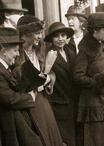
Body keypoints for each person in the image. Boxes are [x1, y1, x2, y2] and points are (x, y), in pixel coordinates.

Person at [73, 12, 104, 146]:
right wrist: (97, 83)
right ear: (95, 30)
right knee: (98, 140)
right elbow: (77, 76)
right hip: (93, 105)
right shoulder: (85, 51)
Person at [15, 15, 64, 146]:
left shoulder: (40, 50)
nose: (40, 36)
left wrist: (49, 76)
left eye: (41, 33)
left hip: (42, 102)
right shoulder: (16, 56)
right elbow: (22, 83)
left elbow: (50, 74)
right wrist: (47, 69)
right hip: (29, 105)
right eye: (37, 33)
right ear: (24, 35)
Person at [0, 27, 38, 146]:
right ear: (3, 51)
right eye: (15, 50)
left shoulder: (6, 67)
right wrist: (30, 97)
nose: (17, 54)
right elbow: (9, 99)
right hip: (6, 123)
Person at [44, 22, 77, 146]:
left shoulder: (70, 51)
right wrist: (47, 66)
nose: (60, 39)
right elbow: (45, 78)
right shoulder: (49, 54)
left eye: (63, 35)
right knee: (65, 140)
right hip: (59, 104)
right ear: (51, 39)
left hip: (73, 102)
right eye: (56, 36)